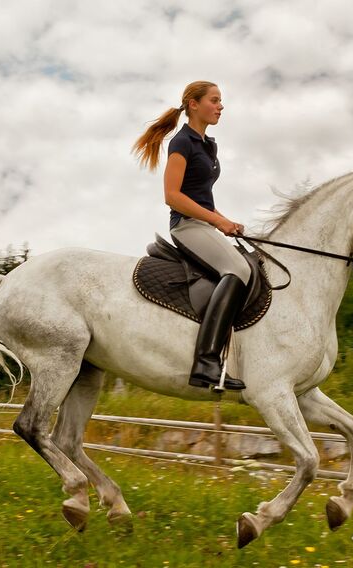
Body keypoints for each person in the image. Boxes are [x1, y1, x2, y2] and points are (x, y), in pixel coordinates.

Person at [132, 81, 252, 391]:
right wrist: (218, 220)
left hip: (205, 226)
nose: (221, 106)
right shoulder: (181, 142)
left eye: (221, 101)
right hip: (186, 226)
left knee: (249, 266)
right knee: (238, 269)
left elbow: (201, 195)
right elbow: (172, 196)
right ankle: (206, 364)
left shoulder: (208, 145)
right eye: (215, 100)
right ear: (194, 104)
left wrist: (223, 221)